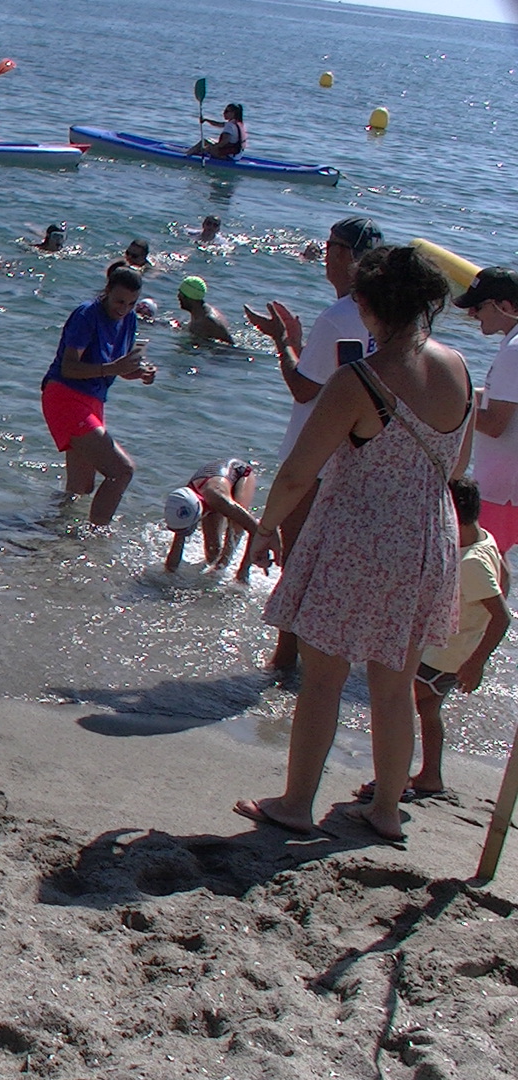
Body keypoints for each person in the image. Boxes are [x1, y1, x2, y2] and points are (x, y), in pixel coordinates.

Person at [238, 245, 474, 844]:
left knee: (324, 678)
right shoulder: (459, 368)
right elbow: (459, 463)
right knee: (393, 685)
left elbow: (297, 473)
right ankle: (387, 811)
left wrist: (265, 528)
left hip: (358, 538)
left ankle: (296, 804)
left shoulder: (359, 380)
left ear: (367, 307)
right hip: (430, 537)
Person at [241, 216, 383, 667]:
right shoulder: (384, 315)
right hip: (357, 451)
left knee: (298, 556)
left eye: (330, 245)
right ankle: (316, 653)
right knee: (327, 562)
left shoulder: (338, 315)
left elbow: (305, 388)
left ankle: (286, 658)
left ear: (345, 255)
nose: (324, 253)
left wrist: (283, 341)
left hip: (316, 451)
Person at [352, 478, 508, 803]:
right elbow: (505, 575)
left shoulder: (471, 564)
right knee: (428, 710)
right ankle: (430, 776)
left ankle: (389, 782)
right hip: (454, 654)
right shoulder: (485, 541)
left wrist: (476, 662)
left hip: (442, 656)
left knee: (397, 707)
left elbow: (503, 616)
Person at [40, 266, 156, 526]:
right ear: (107, 291)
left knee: (81, 487)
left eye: (131, 303)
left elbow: (117, 366)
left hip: (93, 400)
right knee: (121, 471)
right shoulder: (87, 314)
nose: (123, 308)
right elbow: (69, 368)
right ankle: (95, 536)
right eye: (119, 301)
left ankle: (52, 529)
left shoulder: (129, 320)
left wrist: (139, 373)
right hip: (65, 396)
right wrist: (114, 369)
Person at [458, 267, 518, 552]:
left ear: (505, 307)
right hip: (509, 488)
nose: (472, 314)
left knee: (484, 566)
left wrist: (455, 405)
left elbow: (495, 424)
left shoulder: (514, 351)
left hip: (502, 489)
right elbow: (504, 399)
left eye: (479, 306)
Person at [162, 458, 259, 574]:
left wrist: (243, 571)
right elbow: (178, 541)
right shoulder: (182, 504)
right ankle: (219, 565)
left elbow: (255, 529)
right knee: (212, 553)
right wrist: (168, 572)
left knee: (235, 528)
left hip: (240, 474)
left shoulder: (218, 498)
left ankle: (231, 568)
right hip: (210, 487)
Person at [176, 276, 235, 344]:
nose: (178, 296)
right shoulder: (201, 313)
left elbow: (230, 348)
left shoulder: (207, 321)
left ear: (189, 297)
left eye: (181, 294)